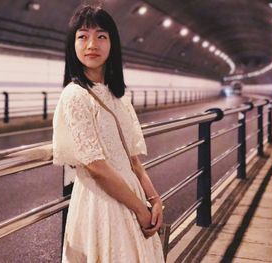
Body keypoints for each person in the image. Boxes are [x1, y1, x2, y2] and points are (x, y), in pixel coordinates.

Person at [52, 5, 165, 263]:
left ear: (112, 44)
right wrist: (140, 209)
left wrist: (155, 200)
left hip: (131, 197)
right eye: (83, 36)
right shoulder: (75, 95)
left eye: (101, 36)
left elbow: (134, 160)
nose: (92, 44)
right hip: (101, 203)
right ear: (73, 45)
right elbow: (95, 166)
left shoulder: (119, 97)